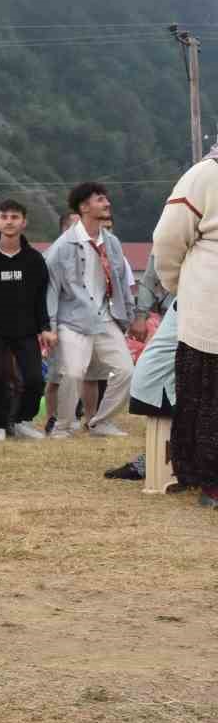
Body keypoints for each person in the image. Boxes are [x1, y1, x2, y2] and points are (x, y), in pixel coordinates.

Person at [152, 148, 218, 502]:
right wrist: (183, 286)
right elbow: (167, 241)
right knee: (208, 394)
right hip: (210, 302)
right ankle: (211, 482)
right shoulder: (205, 174)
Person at [44, 182, 134, 438]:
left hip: (106, 317)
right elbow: (51, 289)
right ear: (84, 207)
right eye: (100, 200)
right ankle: (62, 426)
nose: (107, 203)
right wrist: (49, 326)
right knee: (72, 373)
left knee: (127, 370)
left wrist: (128, 315)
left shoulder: (112, 243)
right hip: (72, 319)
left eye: (106, 199)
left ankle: (100, 422)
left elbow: (120, 283)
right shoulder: (63, 246)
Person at [0, 199, 54, 440]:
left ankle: (22, 420)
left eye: (14, 217)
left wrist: (45, 327)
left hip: (26, 330)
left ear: (23, 222)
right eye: (4, 217)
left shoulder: (34, 260)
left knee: (35, 379)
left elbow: (40, 298)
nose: (9, 221)